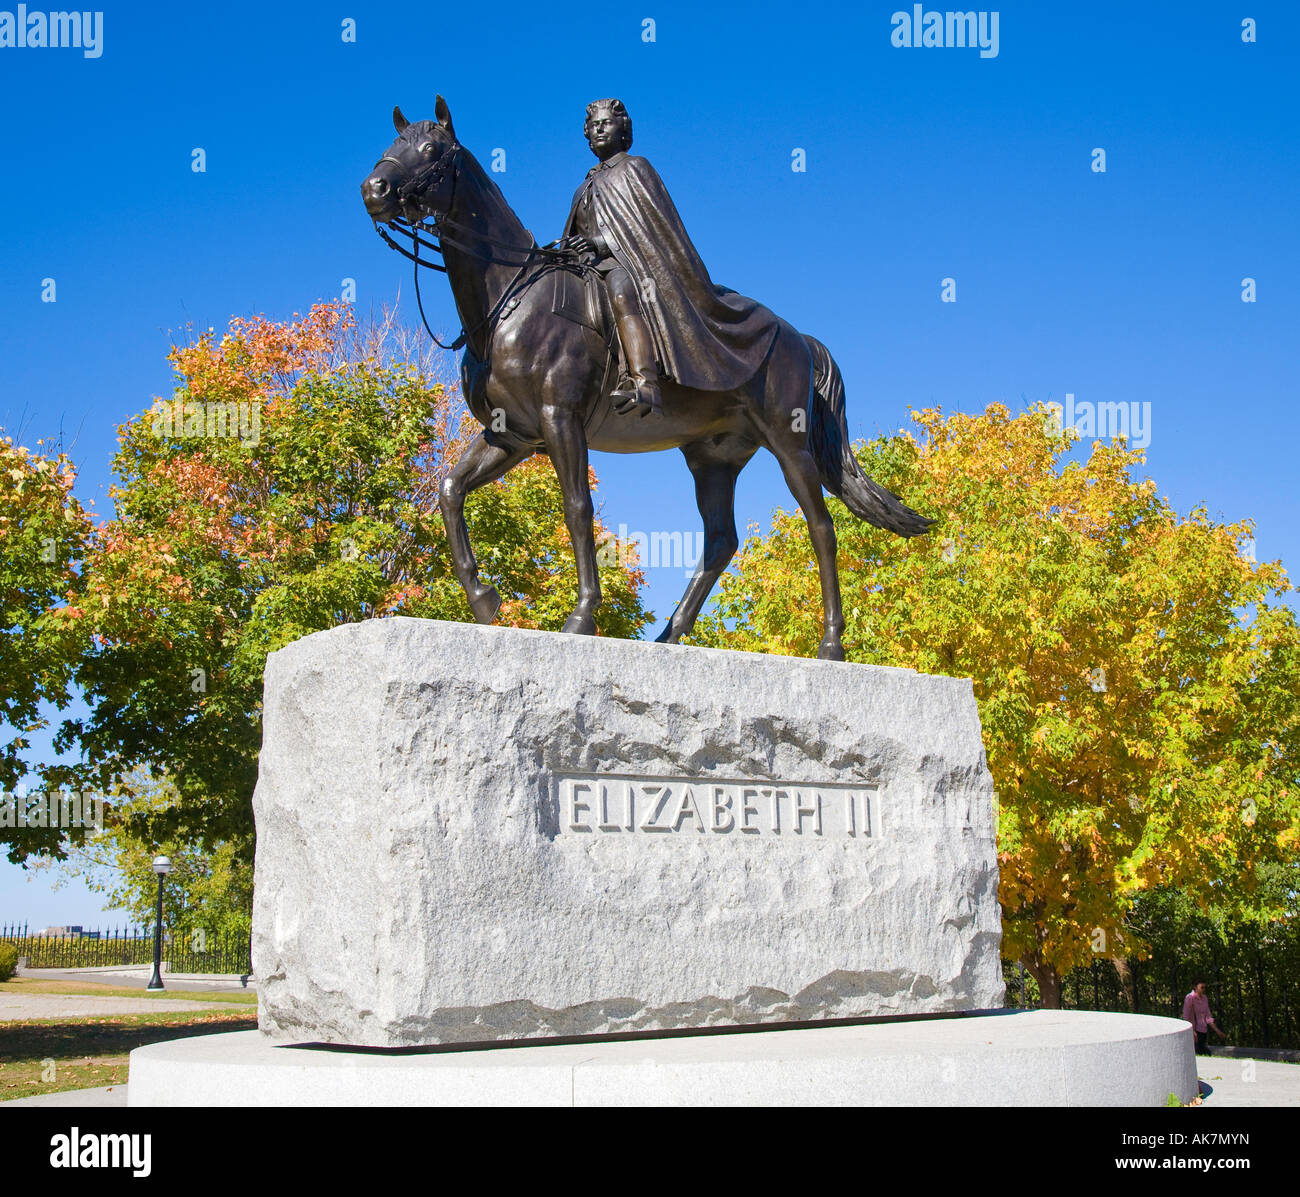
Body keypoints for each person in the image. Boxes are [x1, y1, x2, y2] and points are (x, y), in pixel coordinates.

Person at [558, 98, 780, 417]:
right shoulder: (583, 188)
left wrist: (600, 242)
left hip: (629, 266)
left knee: (621, 292)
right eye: (593, 126)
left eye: (606, 123)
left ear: (623, 130)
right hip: (589, 270)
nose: (598, 130)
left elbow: (651, 228)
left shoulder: (635, 168)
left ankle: (643, 382)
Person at [1181, 979, 1226, 1055]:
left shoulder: (1204, 998)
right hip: (1194, 1030)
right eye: (1201, 987)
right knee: (1203, 1052)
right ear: (1195, 987)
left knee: (1202, 1051)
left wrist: (1217, 1031)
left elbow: (1208, 1016)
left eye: (1204, 988)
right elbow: (1186, 1016)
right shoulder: (1190, 998)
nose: (1203, 990)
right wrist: (1192, 1031)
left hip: (1203, 1030)